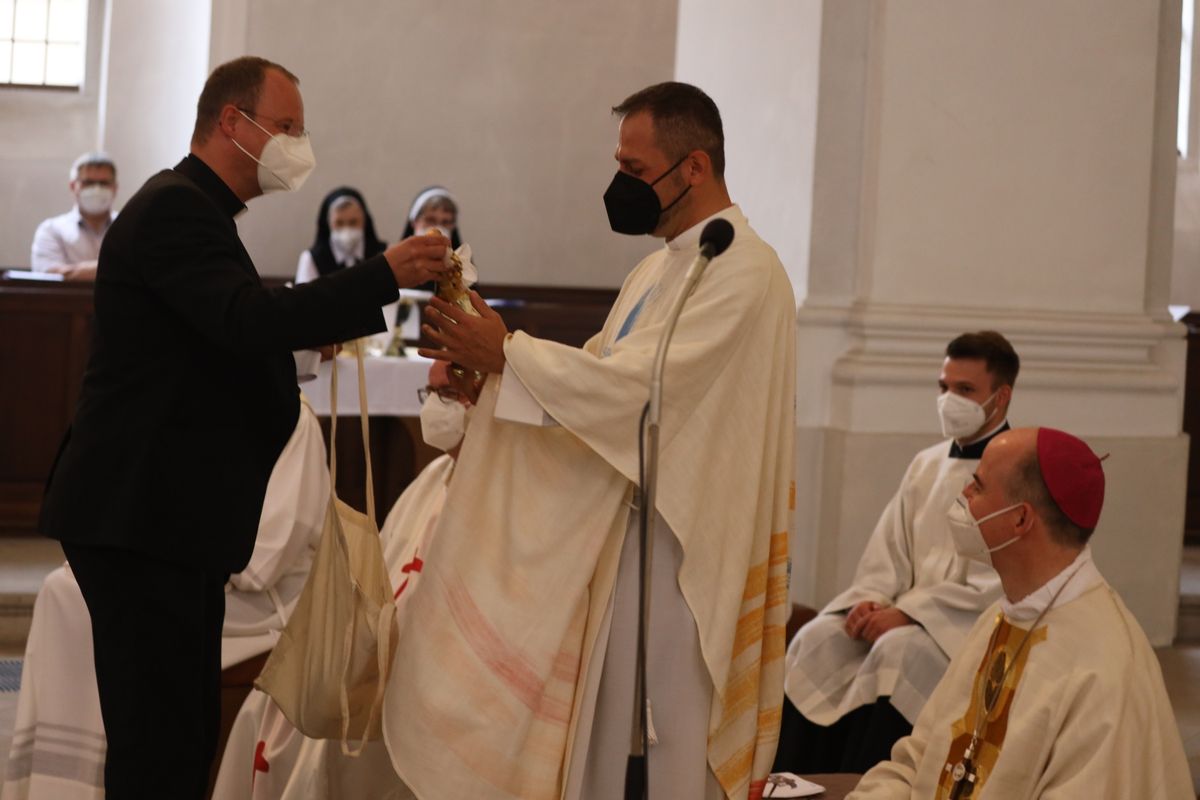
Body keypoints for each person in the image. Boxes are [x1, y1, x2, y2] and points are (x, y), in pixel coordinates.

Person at [36, 55, 448, 800]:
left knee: (183, 729)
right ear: (233, 122)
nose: (298, 144)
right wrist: (382, 274)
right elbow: (243, 319)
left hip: (168, 516)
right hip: (138, 512)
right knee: (157, 741)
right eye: (286, 127)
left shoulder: (201, 212)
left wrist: (300, 349)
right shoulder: (173, 208)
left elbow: (210, 345)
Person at [392, 82, 795, 800]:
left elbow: (642, 393)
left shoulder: (743, 270)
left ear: (695, 167)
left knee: (669, 742)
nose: (620, 186)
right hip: (626, 535)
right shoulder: (659, 267)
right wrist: (493, 379)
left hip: (683, 550)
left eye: (636, 171)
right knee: (607, 740)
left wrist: (509, 354)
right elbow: (600, 374)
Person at [2, 392, 328, 800]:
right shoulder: (186, 403)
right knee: (63, 591)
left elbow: (267, 555)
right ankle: (64, 785)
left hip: (261, 601)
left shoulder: (294, 420)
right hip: (193, 567)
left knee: (95, 606)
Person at [847, 428, 1194, 799]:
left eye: (978, 486)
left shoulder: (1104, 667)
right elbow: (917, 761)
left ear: (1020, 520)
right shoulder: (1000, 618)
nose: (964, 493)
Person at [210, 360, 470, 800]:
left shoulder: (492, 488)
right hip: (380, 645)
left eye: (444, 395)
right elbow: (386, 572)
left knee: (321, 732)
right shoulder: (432, 476)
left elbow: (265, 559)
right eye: (429, 395)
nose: (433, 409)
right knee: (270, 707)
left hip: (425, 664)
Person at [775, 332, 1015, 774]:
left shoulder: (1014, 472)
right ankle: (791, 780)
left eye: (965, 390)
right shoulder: (926, 463)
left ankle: (865, 781)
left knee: (898, 652)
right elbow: (888, 552)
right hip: (903, 614)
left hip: (954, 632)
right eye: (943, 387)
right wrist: (872, 602)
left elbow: (998, 583)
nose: (949, 400)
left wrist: (910, 614)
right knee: (817, 639)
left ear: (1001, 397)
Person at [29, 152, 119, 280]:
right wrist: (117, 268)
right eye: (88, 183)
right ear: (73, 186)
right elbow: (50, 275)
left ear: (115, 188)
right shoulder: (51, 230)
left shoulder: (129, 229)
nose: (97, 189)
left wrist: (77, 272)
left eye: (104, 183)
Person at [294, 186, 388, 285]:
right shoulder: (311, 259)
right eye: (339, 223)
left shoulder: (384, 254)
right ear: (328, 223)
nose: (346, 229)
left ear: (365, 220)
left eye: (353, 222)